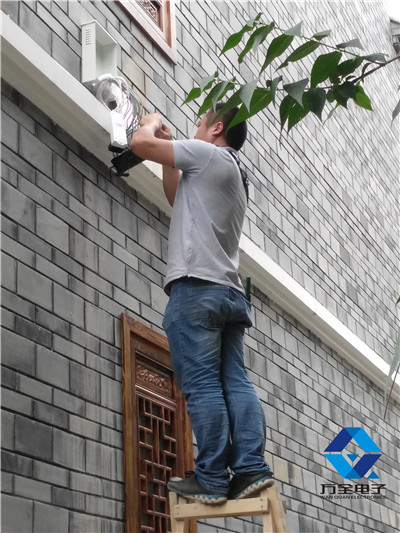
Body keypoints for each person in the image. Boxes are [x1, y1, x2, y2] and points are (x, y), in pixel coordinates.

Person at [129, 104, 274, 504]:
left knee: (202, 385)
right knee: (235, 381)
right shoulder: (235, 172)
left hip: (196, 289)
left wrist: (150, 123)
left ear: (216, 128)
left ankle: (211, 477)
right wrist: (168, 154)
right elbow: (176, 196)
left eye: (198, 124)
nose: (193, 131)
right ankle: (250, 468)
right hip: (227, 293)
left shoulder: (207, 154)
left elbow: (139, 144)